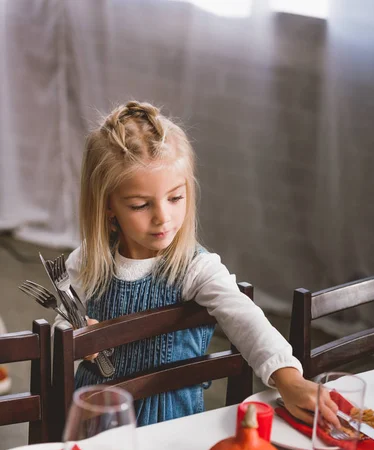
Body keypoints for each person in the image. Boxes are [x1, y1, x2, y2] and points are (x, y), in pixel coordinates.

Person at [54, 100, 338, 427]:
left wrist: (289, 378)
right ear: (108, 206)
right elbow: (63, 319)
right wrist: (78, 333)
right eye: (140, 205)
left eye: (175, 198)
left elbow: (243, 316)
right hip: (94, 416)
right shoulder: (88, 260)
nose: (163, 217)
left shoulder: (194, 268)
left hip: (169, 421)